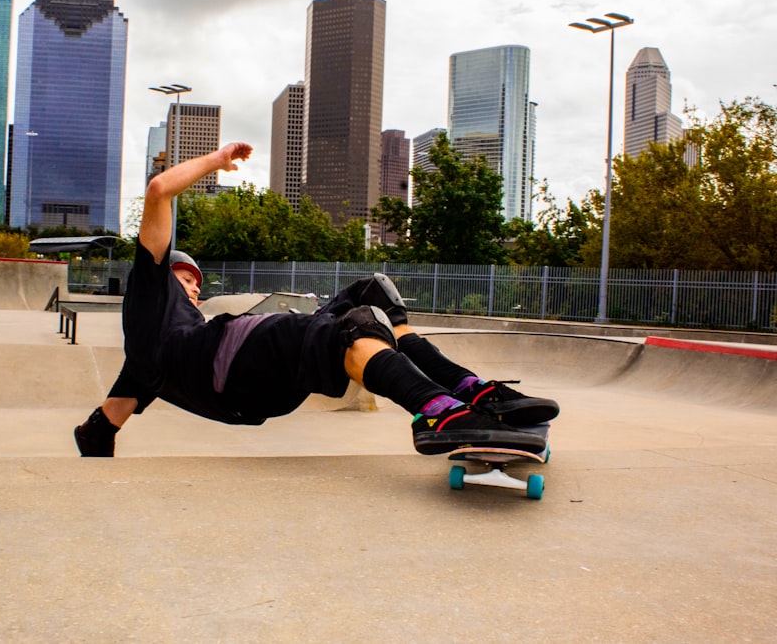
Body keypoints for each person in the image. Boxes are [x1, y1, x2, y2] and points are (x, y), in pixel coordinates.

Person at [74, 143, 558, 458]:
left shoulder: (144, 361)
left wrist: (96, 440)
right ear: (158, 275)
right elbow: (159, 190)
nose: (194, 287)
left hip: (256, 386)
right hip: (236, 364)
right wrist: (217, 161)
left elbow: (106, 420)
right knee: (355, 325)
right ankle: (438, 411)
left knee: (373, 291)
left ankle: (470, 391)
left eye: (198, 282)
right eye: (185, 277)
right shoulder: (147, 298)